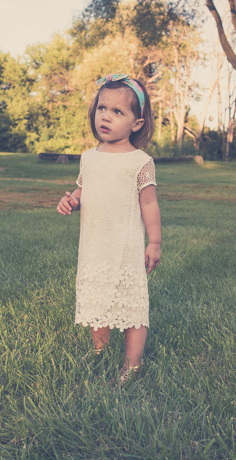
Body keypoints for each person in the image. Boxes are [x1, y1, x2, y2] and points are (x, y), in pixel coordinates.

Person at [57, 74, 161, 385]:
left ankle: (132, 364)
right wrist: (72, 201)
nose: (106, 116)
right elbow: (84, 189)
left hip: (125, 247)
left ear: (137, 123)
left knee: (131, 305)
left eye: (118, 112)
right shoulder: (88, 158)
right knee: (97, 298)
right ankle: (100, 350)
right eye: (103, 108)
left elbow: (149, 204)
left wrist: (154, 241)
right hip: (94, 246)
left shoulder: (140, 162)